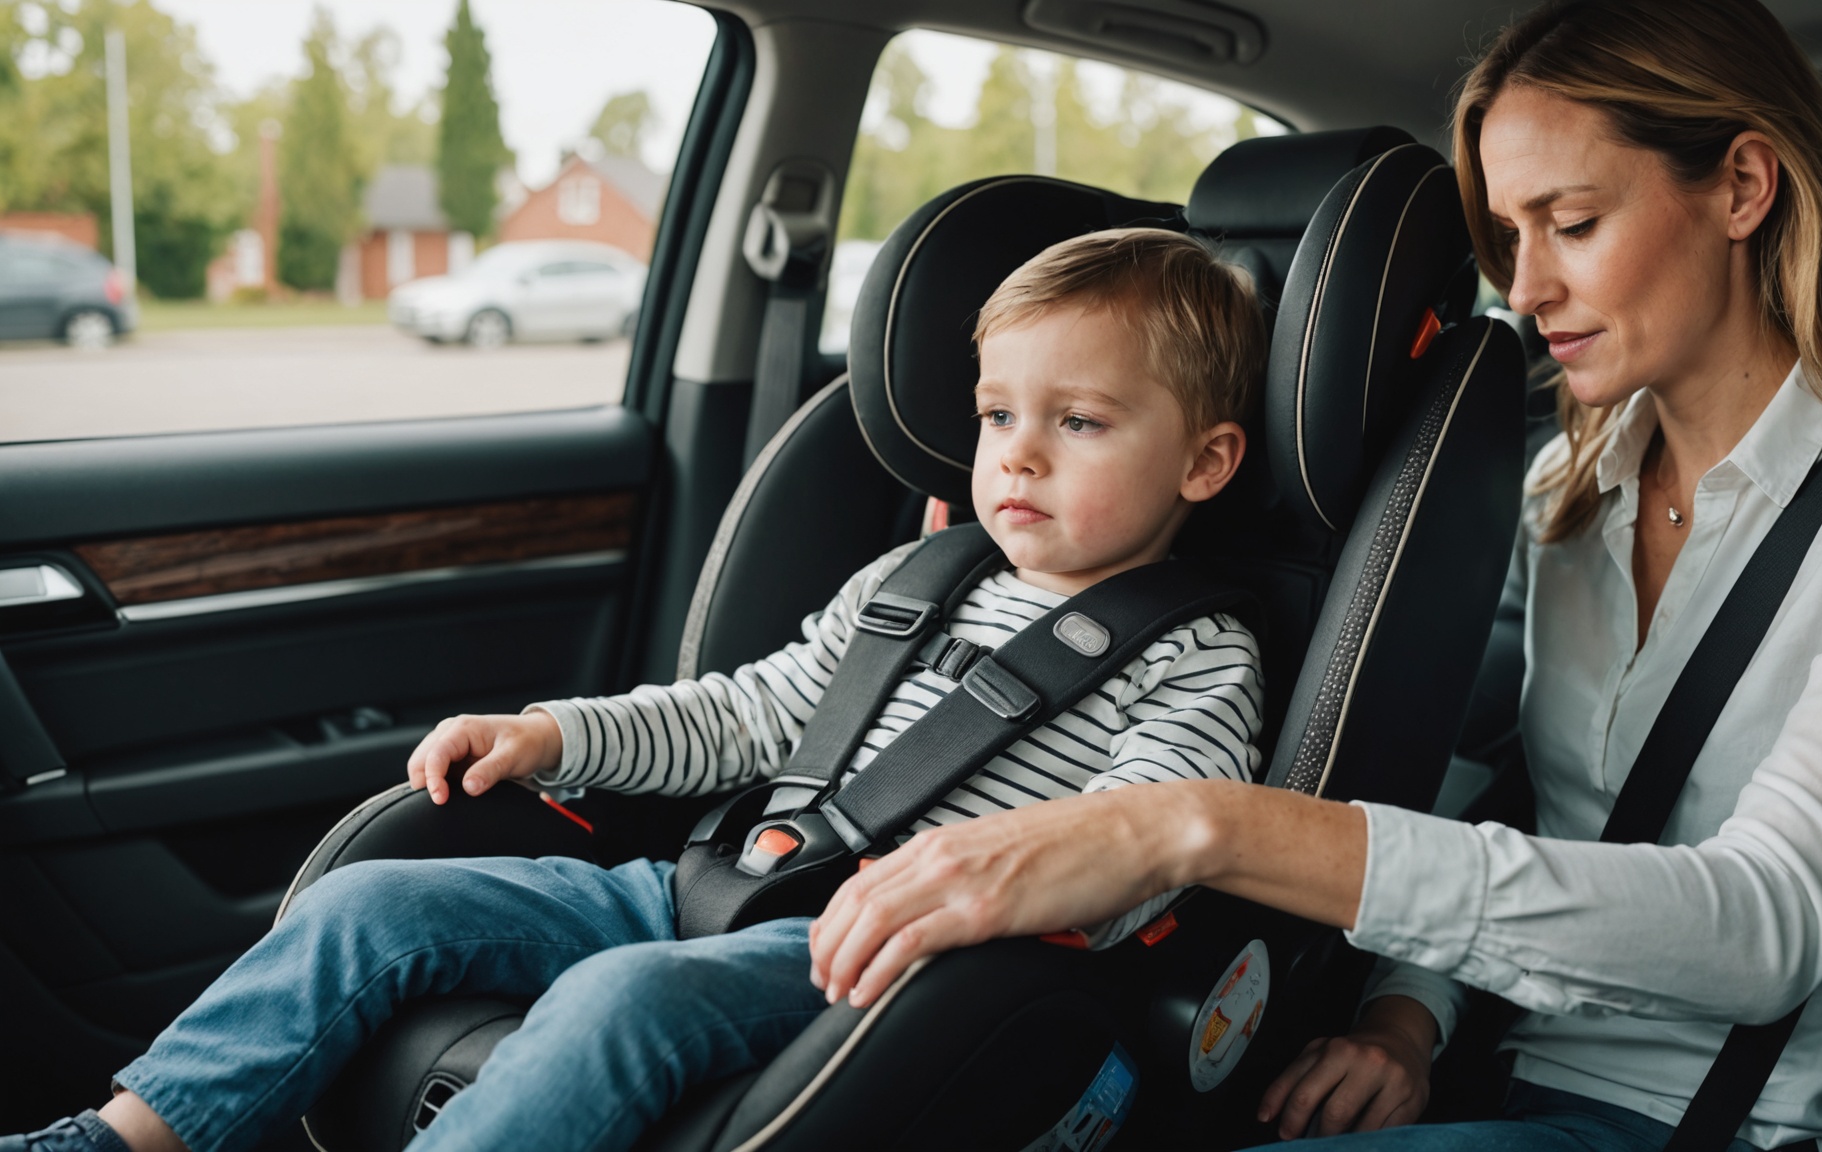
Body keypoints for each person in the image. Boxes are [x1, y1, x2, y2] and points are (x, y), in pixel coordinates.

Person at [802, 2, 1822, 1150]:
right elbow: (1540, 809)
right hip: (1501, 1060)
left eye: (1574, 223)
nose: (1528, 285)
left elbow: (1771, 925)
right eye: (1510, 235)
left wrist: (1192, 824)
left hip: (1712, 1121)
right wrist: (1410, 1017)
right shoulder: (1567, 489)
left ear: (1743, 187)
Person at [3, 227, 1269, 1152]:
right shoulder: (919, 574)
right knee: (374, 904)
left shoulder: (1198, 653)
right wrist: (558, 734)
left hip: (886, 967)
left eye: (1082, 423)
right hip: (703, 884)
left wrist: (980, 884)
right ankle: (119, 1142)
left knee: (627, 998)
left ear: (1206, 462)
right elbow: (751, 711)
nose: (1020, 455)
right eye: (998, 416)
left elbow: (1149, 850)